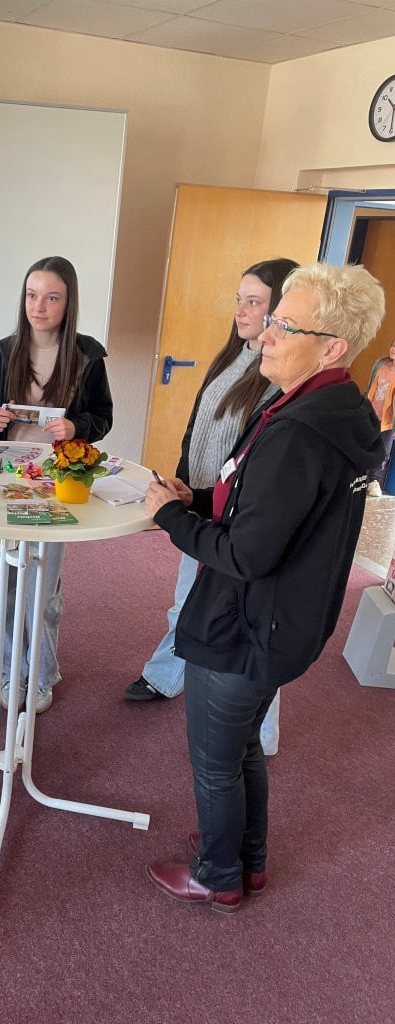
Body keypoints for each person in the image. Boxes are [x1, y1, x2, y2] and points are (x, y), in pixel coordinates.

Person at [142, 261, 385, 913]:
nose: (266, 335)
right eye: (272, 318)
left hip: (247, 627)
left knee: (215, 760)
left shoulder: (300, 431)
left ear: (331, 348)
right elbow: (259, 505)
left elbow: (245, 553)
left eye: (286, 325)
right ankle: (247, 858)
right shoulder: (327, 408)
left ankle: (217, 875)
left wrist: (169, 517)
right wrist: (194, 499)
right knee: (243, 744)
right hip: (284, 621)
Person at [124, 258, 299, 755]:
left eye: (254, 302)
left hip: (239, 519)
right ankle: (167, 676)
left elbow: (257, 458)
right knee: (187, 602)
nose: (241, 310)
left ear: (280, 311)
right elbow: (197, 426)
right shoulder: (234, 356)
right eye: (239, 300)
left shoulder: (278, 374)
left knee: (250, 626)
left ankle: (261, 734)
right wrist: (186, 483)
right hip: (204, 505)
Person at [0, 256, 113, 713]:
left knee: (43, 586)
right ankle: (9, 669)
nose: (39, 306)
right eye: (32, 296)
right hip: (6, 477)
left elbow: (103, 417)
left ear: (68, 303)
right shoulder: (4, 351)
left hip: (55, 479)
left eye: (52, 298)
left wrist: (77, 427)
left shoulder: (87, 356)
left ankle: (41, 672)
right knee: (3, 581)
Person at [364, 338, 395, 497]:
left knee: (383, 450)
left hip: (388, 420)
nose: (393, 349)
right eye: (393, 345)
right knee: (365, 443)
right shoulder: (381, 365)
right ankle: (360, 476)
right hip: (371, 413)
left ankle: (373, 480)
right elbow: (370, 387)